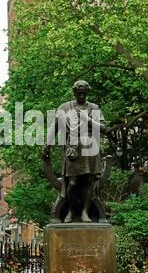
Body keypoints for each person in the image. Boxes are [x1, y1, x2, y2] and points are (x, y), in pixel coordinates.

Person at [42, 80, 106, 223]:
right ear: (74, 93)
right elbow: (55, 127)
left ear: (87, 93)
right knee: (72, 182)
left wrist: (88, 120)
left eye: (84, 93)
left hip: (90, 147)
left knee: (90, 181)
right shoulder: (64, 108)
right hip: (73, 149)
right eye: (79, 93)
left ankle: (84, 212)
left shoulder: (94, 108)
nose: (81, 95)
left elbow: (103, 127)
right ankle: (71, 211)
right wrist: (47, 145)